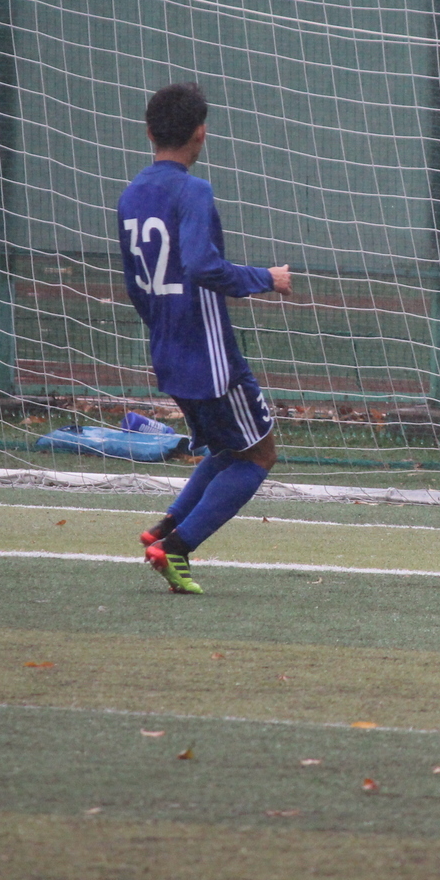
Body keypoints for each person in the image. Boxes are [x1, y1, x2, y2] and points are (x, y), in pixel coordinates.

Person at [123, 82, 292, 594]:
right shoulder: (192, 191)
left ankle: (166, 525)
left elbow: (135, 283)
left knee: (227, 446)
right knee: (260, 455)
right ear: (201, 134)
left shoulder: (132, 193)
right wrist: (267, 278)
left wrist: (162, 327)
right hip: (210, 355)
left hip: (168, 347)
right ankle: (176, 548)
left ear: (150, 132)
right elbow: (201, 264)